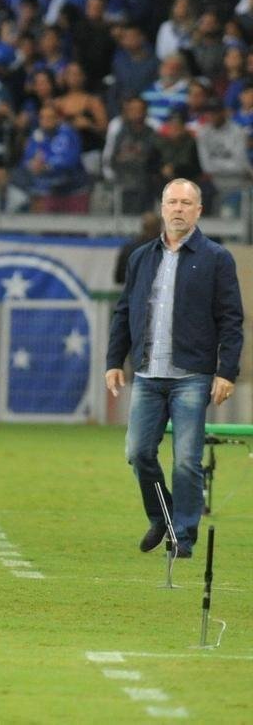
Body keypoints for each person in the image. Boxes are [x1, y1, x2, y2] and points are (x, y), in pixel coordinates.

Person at [105, 178, 244, 559]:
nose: (178, 209)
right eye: (172, 202)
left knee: (186, 460)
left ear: (199, 211)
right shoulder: (140, 257)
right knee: (138, 453)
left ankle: (182, 536)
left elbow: (231, 319)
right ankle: (163, 516)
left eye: (186, 203)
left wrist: (226, 371)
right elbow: (123, 312)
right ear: (162, 208)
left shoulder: (217, 258)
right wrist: (114, 361)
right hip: (147, 375)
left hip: (192, 377)